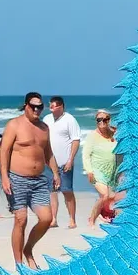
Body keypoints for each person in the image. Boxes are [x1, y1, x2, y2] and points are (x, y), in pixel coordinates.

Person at [0, 92, 59, 268]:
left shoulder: (44, 128)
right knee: (21, 219)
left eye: (39, 106)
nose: (36, 109)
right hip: (16, 179)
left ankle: (28, 250)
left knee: (47, 218)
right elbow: (4, 152)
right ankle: (20, 265)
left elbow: (47, 153)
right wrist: (4, 177)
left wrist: (55, 172)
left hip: (39, 181)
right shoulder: (14, 125)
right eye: (33, 106)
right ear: (25, 106)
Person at [44, 96, 81, 229]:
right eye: (50, 106)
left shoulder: (69, 119)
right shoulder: (47, 119)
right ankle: (53, 219)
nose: (51, 108)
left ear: (61, 106)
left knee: (67, 191)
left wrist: (70, 160)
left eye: (53, 106)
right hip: (49, 163)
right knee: (52, 191)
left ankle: (72, 219)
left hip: (65, 163)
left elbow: (75, 140)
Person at [81, 110, 118, 226]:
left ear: (109, 120)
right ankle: (91, 219)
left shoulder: (114, 133)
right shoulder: (92, 136)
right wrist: (89, 171)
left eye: (105, 119)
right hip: (97, 171)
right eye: (99, 120)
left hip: (112, 170)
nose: (102, 122)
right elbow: (86, 155)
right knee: (104, 195)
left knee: (112, 197)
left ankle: (106, 214)